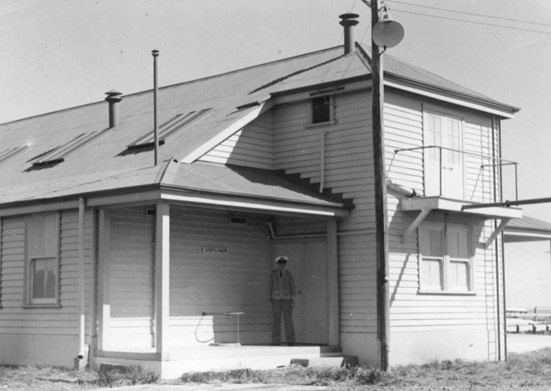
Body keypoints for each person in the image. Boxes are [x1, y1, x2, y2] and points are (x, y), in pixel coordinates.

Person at [268, 255, 296, 346]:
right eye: (280, 264)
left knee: (288, 320)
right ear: (277, 264)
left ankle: (290, 340)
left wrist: (293, 298)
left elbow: (293, 286)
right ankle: (276, 341)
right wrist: (269, 298)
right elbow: (269, 286)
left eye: (283, 264)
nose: (281, 266)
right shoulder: (273, 273)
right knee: (276, 320)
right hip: (275, 299)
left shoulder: (288, 274)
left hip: (286, 299)